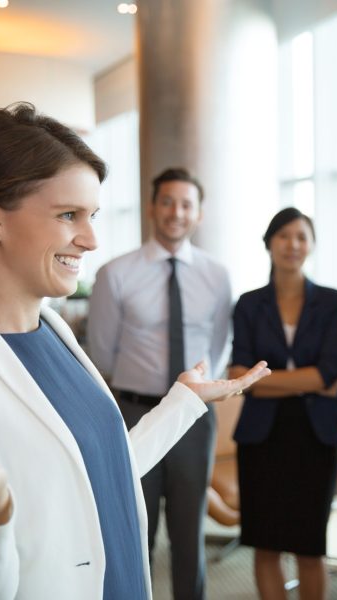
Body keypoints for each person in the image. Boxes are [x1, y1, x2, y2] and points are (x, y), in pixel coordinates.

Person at [0, 102, 269, 600]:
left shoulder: (52, 330)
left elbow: (96, 471)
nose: (91, 239)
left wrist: (183, 402)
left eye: (92, 215)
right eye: (68, 215)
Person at [87, 167, 231, 599]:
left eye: (186, 204)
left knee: (190, 534)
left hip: (194, 418)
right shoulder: (116, 273)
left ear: (198, 214)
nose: (176, 212)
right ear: (152, 207)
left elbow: (221, 341)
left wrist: (197, 396)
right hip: (135, 414)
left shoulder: (217, 274)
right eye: (167, 202)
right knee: (136, 529)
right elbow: (101, 353)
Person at [229, 207, 337, 600]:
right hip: (263, 437)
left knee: (310, 548)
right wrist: (307, 382)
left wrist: (267, 380)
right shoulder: (248, 304)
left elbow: (328, 374)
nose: (292, 244)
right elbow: (241, 378)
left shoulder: (331, 302)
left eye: (301, 237)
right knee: (266, 546)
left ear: (311, 246)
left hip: (317, 437)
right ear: (269, 243)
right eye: (284, 236)